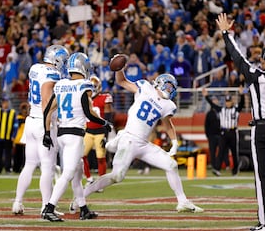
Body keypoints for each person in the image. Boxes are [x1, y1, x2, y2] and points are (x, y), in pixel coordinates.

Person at [215, 12, 265, 231]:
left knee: (263, 177)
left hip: (262, 129)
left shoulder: (256, 75)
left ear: (263, 61)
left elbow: (236, 56)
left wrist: (225, 33)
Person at [84, 65, 203, 213]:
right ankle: (82, 196)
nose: (170, 89)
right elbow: (122, 81)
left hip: (143, 144)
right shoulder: (145, 87)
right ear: (159, 82)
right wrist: (119, 68)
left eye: (172, 87)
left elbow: (168, 124)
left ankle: (183, 201)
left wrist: (173, 142)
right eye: (168, 85)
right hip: (129, 139)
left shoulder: (168, 105)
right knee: (117, 176)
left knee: (171, 165)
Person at [41, 52, 112, 222]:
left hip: (62, 134)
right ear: (83, 67)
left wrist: (46, 132)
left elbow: (48, 110)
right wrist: (104, 123)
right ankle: (49, 208)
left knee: (78, 171)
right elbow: (88, 112)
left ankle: (83, 208)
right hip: (74, 135)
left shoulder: (61, 84)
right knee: (68, 173)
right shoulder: (84, 85)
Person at [12, 45, 70, 215]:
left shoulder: (35, 68)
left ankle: (17, 202)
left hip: (30, 120)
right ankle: (46, 206)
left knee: (29, 165)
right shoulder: (53, 74)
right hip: (43, 123)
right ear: (57, 59)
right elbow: (46, 101)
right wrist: (47, 130)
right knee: (48, 167)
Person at [203, 88, 244, 176]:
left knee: (234, 152)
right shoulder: (221, 110)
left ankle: (235, 170)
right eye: (226, 101)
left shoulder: (236, 110)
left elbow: (242, 104)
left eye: (229, 101)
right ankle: (217, 169)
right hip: (224, 132)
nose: (228, 103)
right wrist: (206, 96)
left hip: (233, 132)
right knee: (221, 151)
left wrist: (242, 94)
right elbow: (212, 105)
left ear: (232, 102)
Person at [81, 75, 113, 187]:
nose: (91, 89)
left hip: (100, 132)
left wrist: (106, 135)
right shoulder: (84, 98)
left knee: (100, 157)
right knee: (82, 156)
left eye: (93, 87)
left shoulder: (105, 98)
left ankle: (101, 183)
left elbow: (108, 117)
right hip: (88, 132)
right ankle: (89, 179)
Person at [0, 96, 17, 174]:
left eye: (6, 102)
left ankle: (8, 168)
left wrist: (13, 135)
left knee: (8, 154)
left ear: (8, 103)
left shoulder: (12, 112)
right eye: (3, 102)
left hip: (8, 136)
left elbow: (15, 125)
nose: (4, 104)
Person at [204, 96, 221, 176]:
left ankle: (220, 166)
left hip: (220, 135)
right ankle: (214, 166)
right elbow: (206, 125)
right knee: (212, 152)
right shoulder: (209, 113)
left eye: (216, 100)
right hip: (212, 136)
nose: (215, 102)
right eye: (214, 100)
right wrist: (208, 135)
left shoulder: (221, 111)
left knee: (222, 151)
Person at [12, 102, 29, 173]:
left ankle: (24, 169)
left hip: (26, 140)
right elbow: (14, 129)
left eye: (26, 109)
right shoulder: (18, 118)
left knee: (25, 156)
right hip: (19, 139)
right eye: (23, 109)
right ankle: (16, 168)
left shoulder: (28, 118)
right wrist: (13, 137)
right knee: (18, 156)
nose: (25, 111)